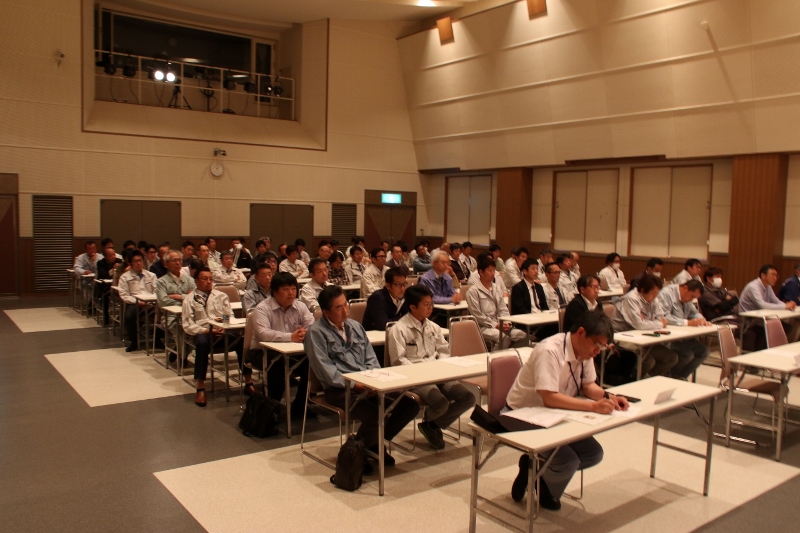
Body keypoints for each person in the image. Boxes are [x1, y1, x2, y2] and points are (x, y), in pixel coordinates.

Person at [506, 312, 628, 509]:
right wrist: (593, 406)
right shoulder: (550, 350)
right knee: (567, 461)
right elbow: (549, 398)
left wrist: (608, 396)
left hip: (556, 413)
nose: (598, 351)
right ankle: (545, 485)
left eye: (603, 347)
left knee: (593, 453)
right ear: (581, 333)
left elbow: (588, 386)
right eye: (597, 345)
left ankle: (536, 471)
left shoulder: (585, 352)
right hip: (524, 415)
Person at [305, 285, 420, 467]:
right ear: (326, 312)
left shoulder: (355, 326)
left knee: (409, 405)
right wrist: (356, 385)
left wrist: (374, 381)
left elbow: (370, 357)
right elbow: (326, 371)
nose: (345, 310)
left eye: (345, 304)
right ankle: (360, 451)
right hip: (340, 389)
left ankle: (370, 444)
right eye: (338, 307)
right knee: (375, 414)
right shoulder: (316, 333)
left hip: (369, 383)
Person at [386, 285, 475, 449]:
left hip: (438, 373)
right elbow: (398, 361)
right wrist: (424, 372)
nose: (430, 307)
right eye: (426, 304)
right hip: (416, 378)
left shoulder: (433, 327)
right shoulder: (399, 329)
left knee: (468, 397)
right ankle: (432, 423)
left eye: (431, 304)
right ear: (413, 307)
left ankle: (432, 424)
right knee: (440, 402)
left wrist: (440, 365)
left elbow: (444, 350)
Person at [183, 267, 254, 407]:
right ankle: (200, 387)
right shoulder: (189, 299)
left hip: (222, 331)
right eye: (204, 279)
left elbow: (229, 315)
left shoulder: (221, 296)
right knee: (202, 344)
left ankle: (248, 382)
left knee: (242, 342)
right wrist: (205, 330)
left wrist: (224, 326)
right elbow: (187, 325)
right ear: (196, 281)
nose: (208, 282)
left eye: (210, 279)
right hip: (203, 332)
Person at [251, 272, 315, 418]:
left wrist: (305, 333)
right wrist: (291, 337)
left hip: (292, 352)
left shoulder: (300, 306)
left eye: (293, 288)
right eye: (286, 289)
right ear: (275, 292)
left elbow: (312, 326)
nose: (291, 293)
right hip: (262, 352)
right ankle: (270, 410)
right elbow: (263, 334)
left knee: (313, 363)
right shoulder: (262, 308)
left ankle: (300, 405)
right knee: (278, 367)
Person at [611, 274, 678, 377]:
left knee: (671, 357)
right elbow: (640, 325)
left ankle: (648, 379)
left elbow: (661, 316)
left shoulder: (653, 299)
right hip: (624, 338)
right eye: (653, 293)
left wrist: (654, 323)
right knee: (648, 361)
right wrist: (658, 324)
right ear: (642, 291)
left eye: (657, 293)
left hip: (644, 337)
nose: (656, 296)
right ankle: (632, 380)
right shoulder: (631, 299)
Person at [466, 255, 527, 349]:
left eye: (494, 270)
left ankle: (509, 354)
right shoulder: (473, 291)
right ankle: (495, 357)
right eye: (490, 271)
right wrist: (496, 325)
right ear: (481, 272)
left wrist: (506, 322)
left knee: (522, 335)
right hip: (482, 327)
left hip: (500, 324)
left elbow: (503, 308)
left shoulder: (496, 288)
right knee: (504, 338)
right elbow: (477, 315)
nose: (493, 274)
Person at [658, 280, 710, 379]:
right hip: (669, 337)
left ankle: (680, 377)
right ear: (685, 288)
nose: (691, 300)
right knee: (687, 354)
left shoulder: (687, 298)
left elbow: (694, 312)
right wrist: (687, 323)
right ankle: (668, 377)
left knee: (704, 351)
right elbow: (664, 317)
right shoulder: (666, 294)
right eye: (692, 296)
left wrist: (701, 319)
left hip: (682, 336)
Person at [739, 264, 797, 350]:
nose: (775, 278)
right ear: (763, 275)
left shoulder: (767, 286)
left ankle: (774, 349)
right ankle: (762, 352)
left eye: (776, 275)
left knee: (787, 326)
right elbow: (762, 305)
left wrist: (789, 306)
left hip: (760, 318)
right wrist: (785, 306)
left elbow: (776, 300)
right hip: (749, 320)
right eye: (772, 275)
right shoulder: (753, 286)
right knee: (778, 327)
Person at [156, 250, 196, 361]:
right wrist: (186, 298)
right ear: (166, 264)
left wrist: (178, 296)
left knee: (201, 328)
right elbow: (163, 301)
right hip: (171, 316)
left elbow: (196, 298)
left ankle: (180, 351)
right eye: (174, 260)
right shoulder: (161, 282)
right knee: (180, 329)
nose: (178, 263)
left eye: (179, 260)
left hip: (190, 314)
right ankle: (183, 358)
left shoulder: (189, 280)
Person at [117, 250, 157, 351]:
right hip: (135, 303)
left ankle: (157, 340)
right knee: (129, 316)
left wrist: (151, 301)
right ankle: (133, 341)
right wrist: (137, 302)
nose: (139, 263)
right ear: (130, 263)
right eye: (135, 261)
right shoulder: (124, 277)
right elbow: (124, 295)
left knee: (164, 313)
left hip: (151, 302)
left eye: (140, 260)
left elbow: (157, 291)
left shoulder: (151, 275)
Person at [363, 266, 408, 332]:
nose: (402, 289)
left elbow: (409, 317)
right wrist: (403, 319)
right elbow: (382, 325)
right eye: (398, 285)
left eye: (404, 284)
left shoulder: (403, 296)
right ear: (388, 286)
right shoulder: (377, 298)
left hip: (395, 331)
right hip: (373, 335)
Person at [95, 247, 122, 325]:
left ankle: (121, 317)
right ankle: (106, 318)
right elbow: (102, 275)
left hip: (117, 285)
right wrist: (113, 270)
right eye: (111, 255)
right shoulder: (100, 263)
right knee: (106, 296)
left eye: (114, 254)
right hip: (105, 286)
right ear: (105, 256)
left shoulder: (119, 261)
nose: (113, 257)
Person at [74, 240, 98, 309]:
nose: (92, 250)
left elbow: (101, 269)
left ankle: (96, 305)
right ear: (86, 250)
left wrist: (95, 261)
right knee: (87, 288)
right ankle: (90, 305)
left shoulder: (100, 257)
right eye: (89, 249)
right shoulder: (81, 257)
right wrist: (84, 271)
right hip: (85, 280)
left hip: (96, 280)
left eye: (93, 248)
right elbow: (76, 268)